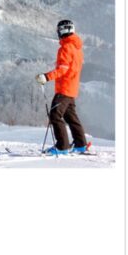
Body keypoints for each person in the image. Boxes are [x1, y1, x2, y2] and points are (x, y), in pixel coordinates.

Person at [36, 19, 88, 155]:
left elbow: (62, 69)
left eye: (59, 30)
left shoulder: (65, 48)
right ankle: (80, 144)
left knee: (55, 115)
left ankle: (62, 147)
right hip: (72, 89)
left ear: (63, 31)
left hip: (64, 89)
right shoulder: (77, 48)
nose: (57, 33)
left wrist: (46, 77)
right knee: (71, 117)